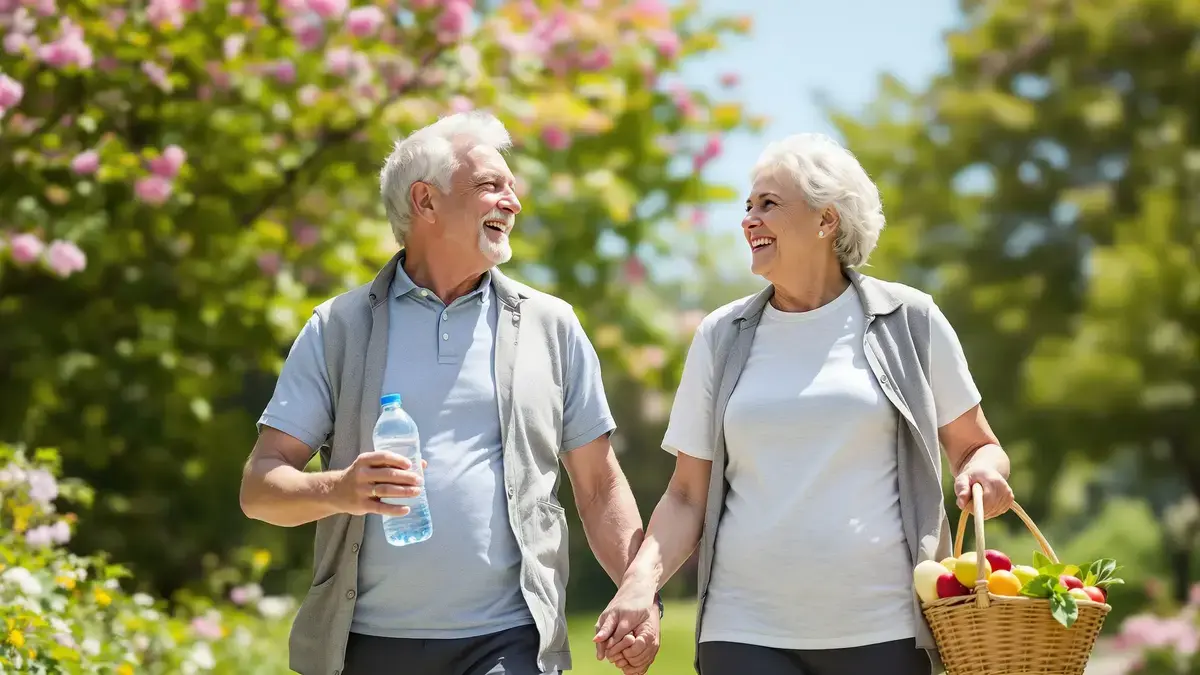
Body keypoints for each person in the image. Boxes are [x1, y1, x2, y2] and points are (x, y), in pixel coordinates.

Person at [239, 111, 658, 675]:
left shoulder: (549, 325)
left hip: (509, 643)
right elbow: (260, 487)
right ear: (425, 201)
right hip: (365, 646)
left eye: (512, 187)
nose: (512, 201)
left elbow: (599, 483)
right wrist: (339, 488)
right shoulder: (337, 327)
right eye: (491, 185)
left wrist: (640, 594)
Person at [592, 132, 1016, 675]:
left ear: (826, 220)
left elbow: (978, 446)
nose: (749, 220)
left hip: (883, 628)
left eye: (769, 204)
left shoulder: (909, 320)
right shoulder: (722, 336)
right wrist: (639, 584)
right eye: (747, 206)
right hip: (743, 628)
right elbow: (684, 496)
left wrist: (983, 473)